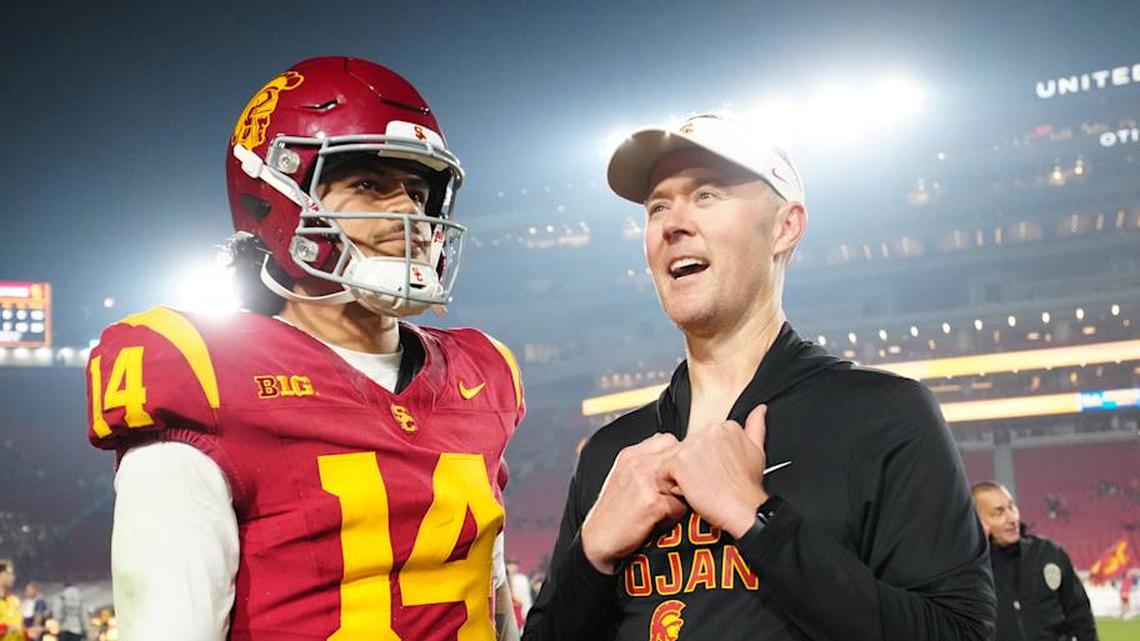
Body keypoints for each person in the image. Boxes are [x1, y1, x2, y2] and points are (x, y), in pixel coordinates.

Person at [87, 56, 525, 641]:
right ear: (275, 193)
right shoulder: (204, 373)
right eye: (368, 184)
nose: (408, 214)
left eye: (418, 190)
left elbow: (493, 613)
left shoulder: (480, 373)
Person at [523, 114, 995, 641]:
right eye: (658, 206)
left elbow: (959, 633)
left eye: (706, 196)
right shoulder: (613, 452)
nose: (671, 223)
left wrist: (759, 520)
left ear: (785, 226)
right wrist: (591, 553)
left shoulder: (882, 414)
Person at [971, 481, 1098, 641]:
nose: (1012, 518)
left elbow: (1080, 616)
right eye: (999, 513)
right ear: (976, 520)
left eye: (1012, 507)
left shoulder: (1048, 553)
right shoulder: (968, 570)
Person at [0, 562, 20, 641]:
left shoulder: (15, 601)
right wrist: (6, 629)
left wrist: (29, 632)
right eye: (9, 573)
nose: (13, 577)